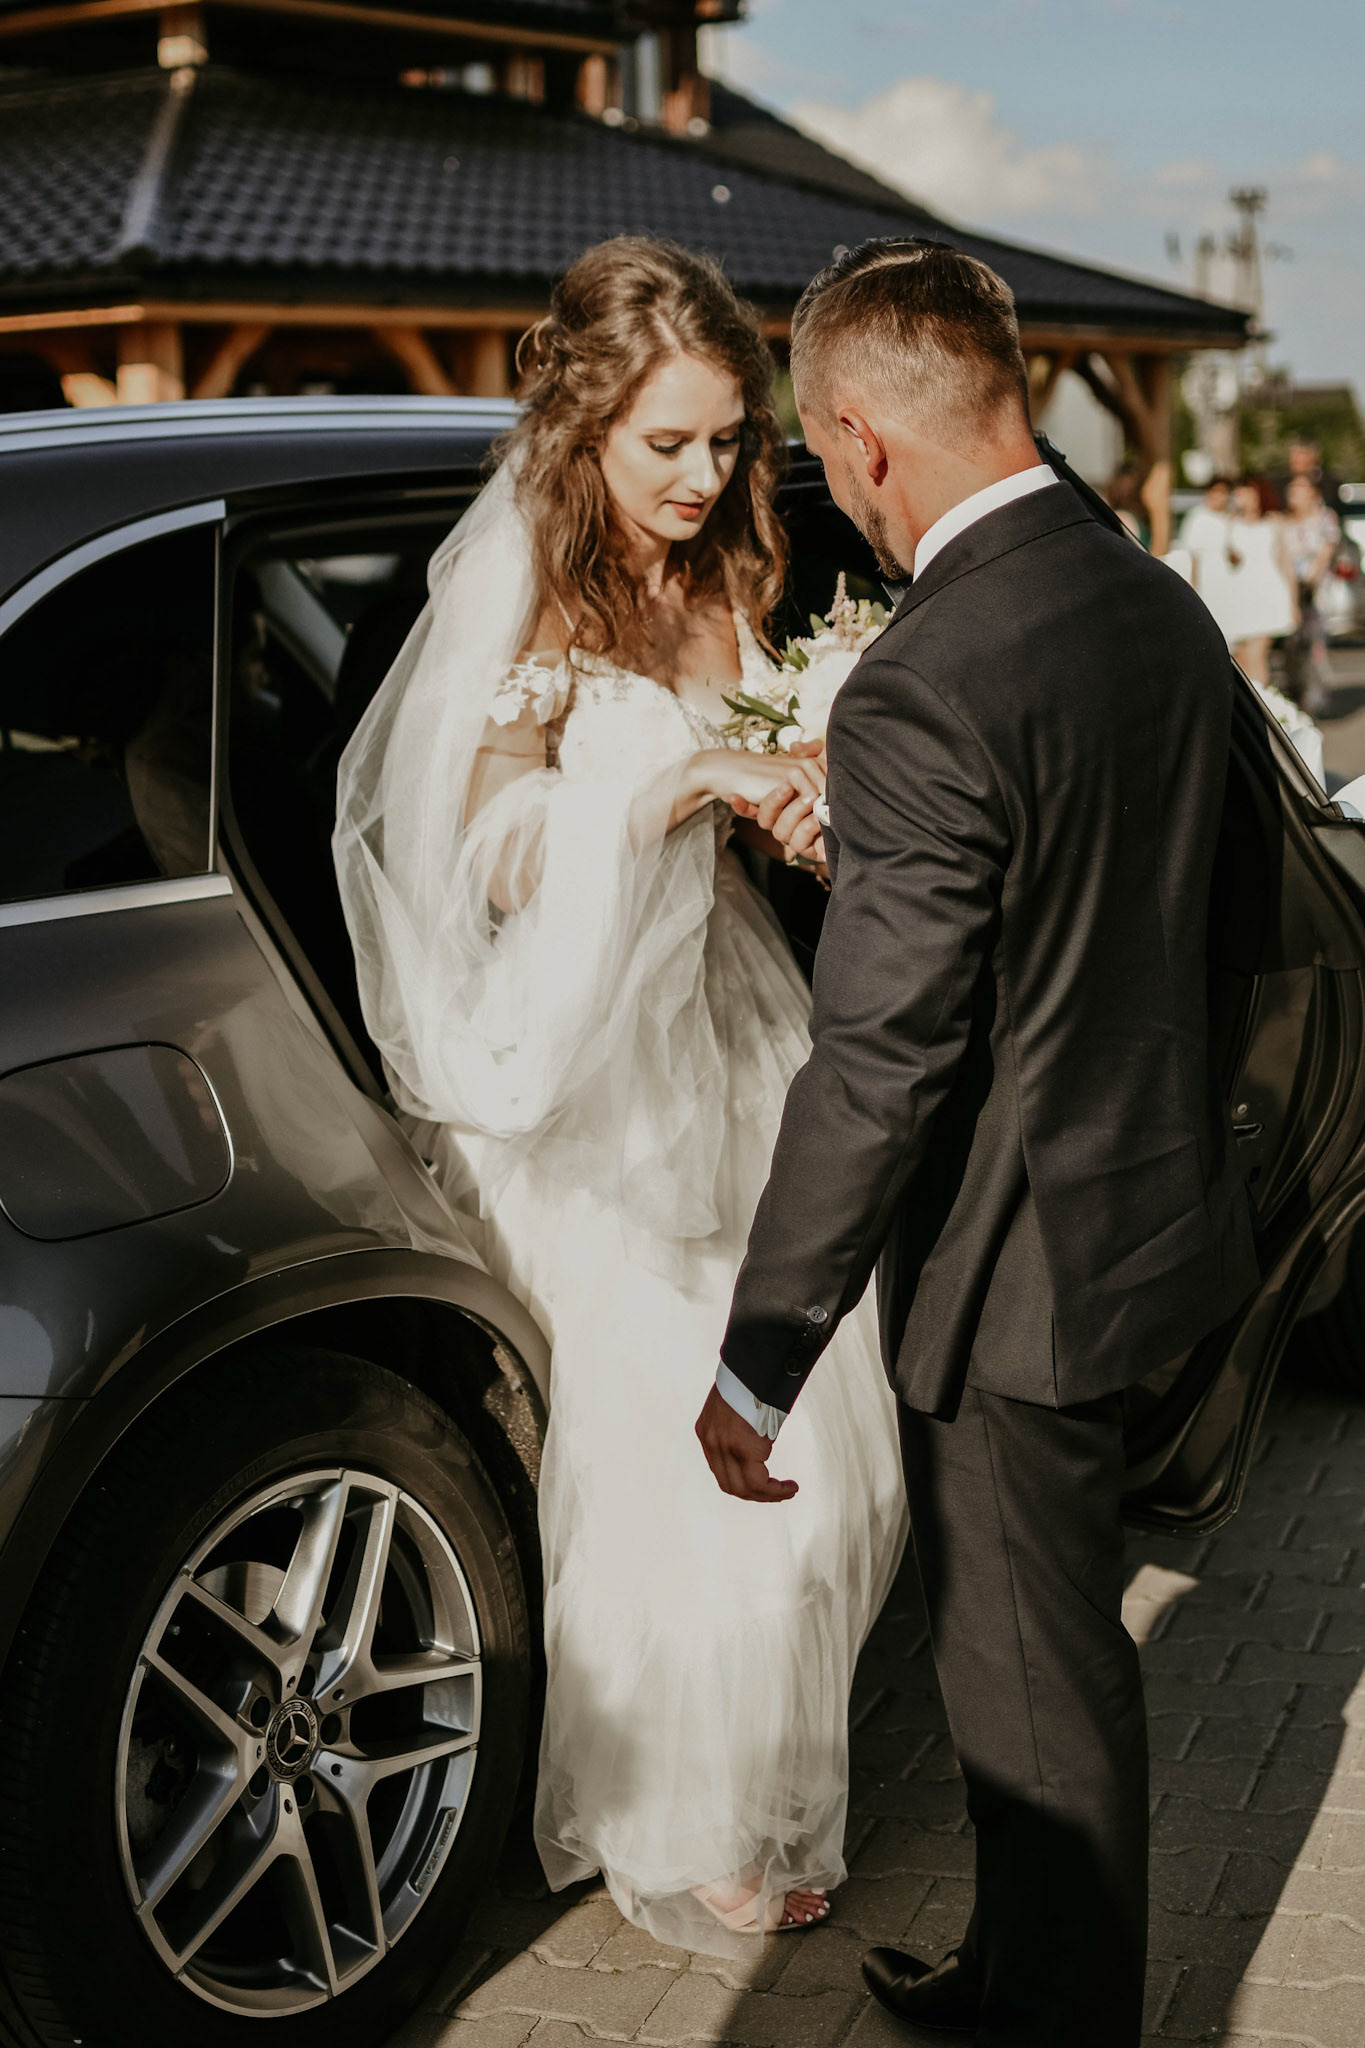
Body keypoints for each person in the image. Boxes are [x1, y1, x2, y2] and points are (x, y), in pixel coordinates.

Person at [695, 239, 1258, 2046]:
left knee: (1036, 1691)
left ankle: (1059, 2012)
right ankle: (1015, 1967)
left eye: (822, 454)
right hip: (1145, 1214)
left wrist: (761, 1357)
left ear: (860, 438)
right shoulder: (1153, 600)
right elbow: (1216, 912)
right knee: (1036, 1660)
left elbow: (882, 1061)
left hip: (1010, 1279)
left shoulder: (926, 676)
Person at [332, 236, 907, 1954]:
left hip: (731, 1027)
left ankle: (761, 1777)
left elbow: (731, 783)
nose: (704, 476)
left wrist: (789, 799)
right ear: (583, 422)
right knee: (670, 1459)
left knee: (821, 1443)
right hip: (591, 1078)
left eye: (728, 439)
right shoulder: (531, 586)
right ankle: (685, 1812)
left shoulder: (727, 561)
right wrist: (668, 791)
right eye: (667, 442)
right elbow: (483, 858)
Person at [1222, 477, 1298, 687]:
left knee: (1256, 653)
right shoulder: (1230, 522)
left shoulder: (1274, 522)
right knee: (1241, 655)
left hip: (1267, 593)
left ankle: (1262, 698)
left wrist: (1293, 601)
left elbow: (1285, 562)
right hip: (1242, 595)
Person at [1282, 473, 1341, 712]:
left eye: (1299, 488)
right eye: (1292, 488)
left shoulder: (1324, 519)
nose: (1293, 493)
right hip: (1288, 592)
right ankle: (1295, 693)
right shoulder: (1283, 520)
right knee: (1291, 647)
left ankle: (1312, 698)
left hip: (1314, 594)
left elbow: (1326, 552)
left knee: (1314, 644)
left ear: (1313, 494)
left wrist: (1308, 583)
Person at [1179, 475, 1241, 639]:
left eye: (1223, 493)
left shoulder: (1229, 518)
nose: (1219, 497)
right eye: (1216, 492)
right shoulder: (1197, 517)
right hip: (1206, 583)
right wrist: (1193, 587)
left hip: (1227, 584)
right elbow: (1191, 555)